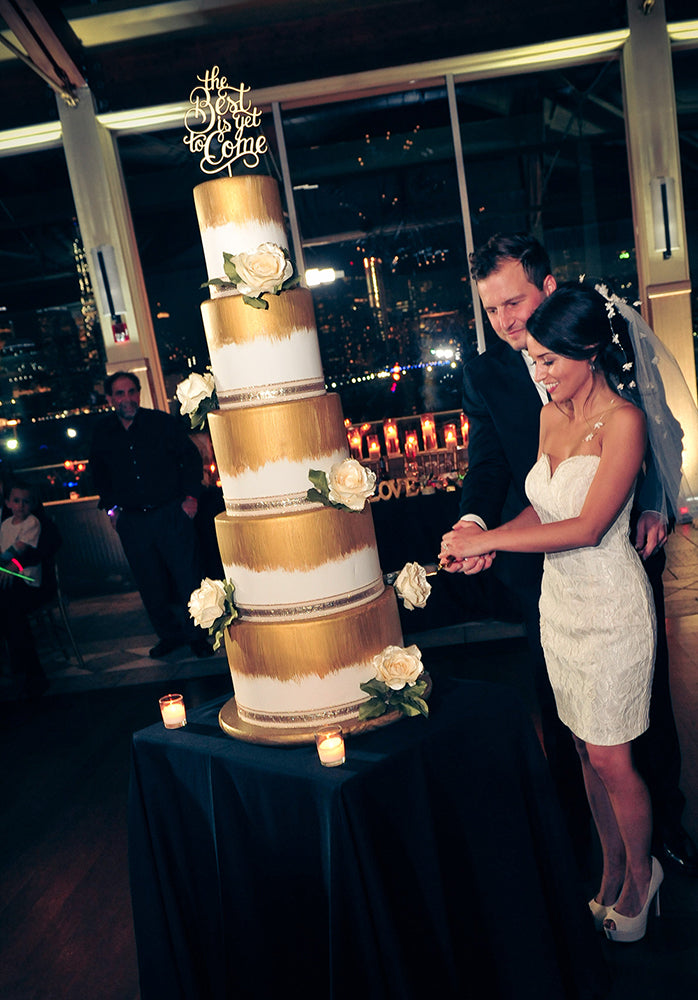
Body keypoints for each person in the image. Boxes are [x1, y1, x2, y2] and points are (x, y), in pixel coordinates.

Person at [440, 233, 697, 878]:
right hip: (547, 582)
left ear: (547, 287)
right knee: (571, 728)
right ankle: (596, 857)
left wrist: (656, 503)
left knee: (642, 715)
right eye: (492, 309)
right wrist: (475, 526)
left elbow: (659, 428)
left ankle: (660, 837)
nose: (507, 323)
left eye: (514, 303)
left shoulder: (601, 347)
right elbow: (495, 468)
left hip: (618, 561)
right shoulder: (490, 375)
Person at [89, 371, 213, 659]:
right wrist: (111, 509)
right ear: (110, 399)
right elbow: (98, 474)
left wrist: (191, 498)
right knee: (149, 582)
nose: (127, 398)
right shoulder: (103, 432)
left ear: (139, 393)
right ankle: (169, 636)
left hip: (171, 513)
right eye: (120, 393)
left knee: (187, 577)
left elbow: (190, 459)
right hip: (132, 521)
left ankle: (198, 637)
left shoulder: (161, 423)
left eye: (132, 391)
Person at [0, 481, 49, 696]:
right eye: (16, 501)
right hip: (8, 575)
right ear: (8, 503)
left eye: (25, 501)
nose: (20, 506)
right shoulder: (6, 524)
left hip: (27, 578)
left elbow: (18, 550)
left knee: (10, 606)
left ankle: (28, 671)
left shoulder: (33, 522)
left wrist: (10, 564)